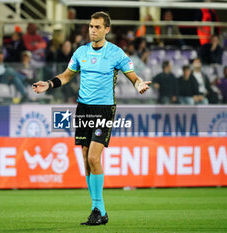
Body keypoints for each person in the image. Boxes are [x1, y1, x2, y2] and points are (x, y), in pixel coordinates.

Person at [33, 12, 150, 225]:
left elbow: (133, 76)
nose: (92, 30)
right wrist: (49, 84)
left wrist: (139, 84)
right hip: (83, 109)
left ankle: (98, 209)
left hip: (104, 110)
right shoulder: (81, 52)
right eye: (90, 26)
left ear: (107, 29)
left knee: (94, 158)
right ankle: (98, 210)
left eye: (97, 27)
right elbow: (67, 76)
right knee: (86, 159)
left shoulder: (116, 53)